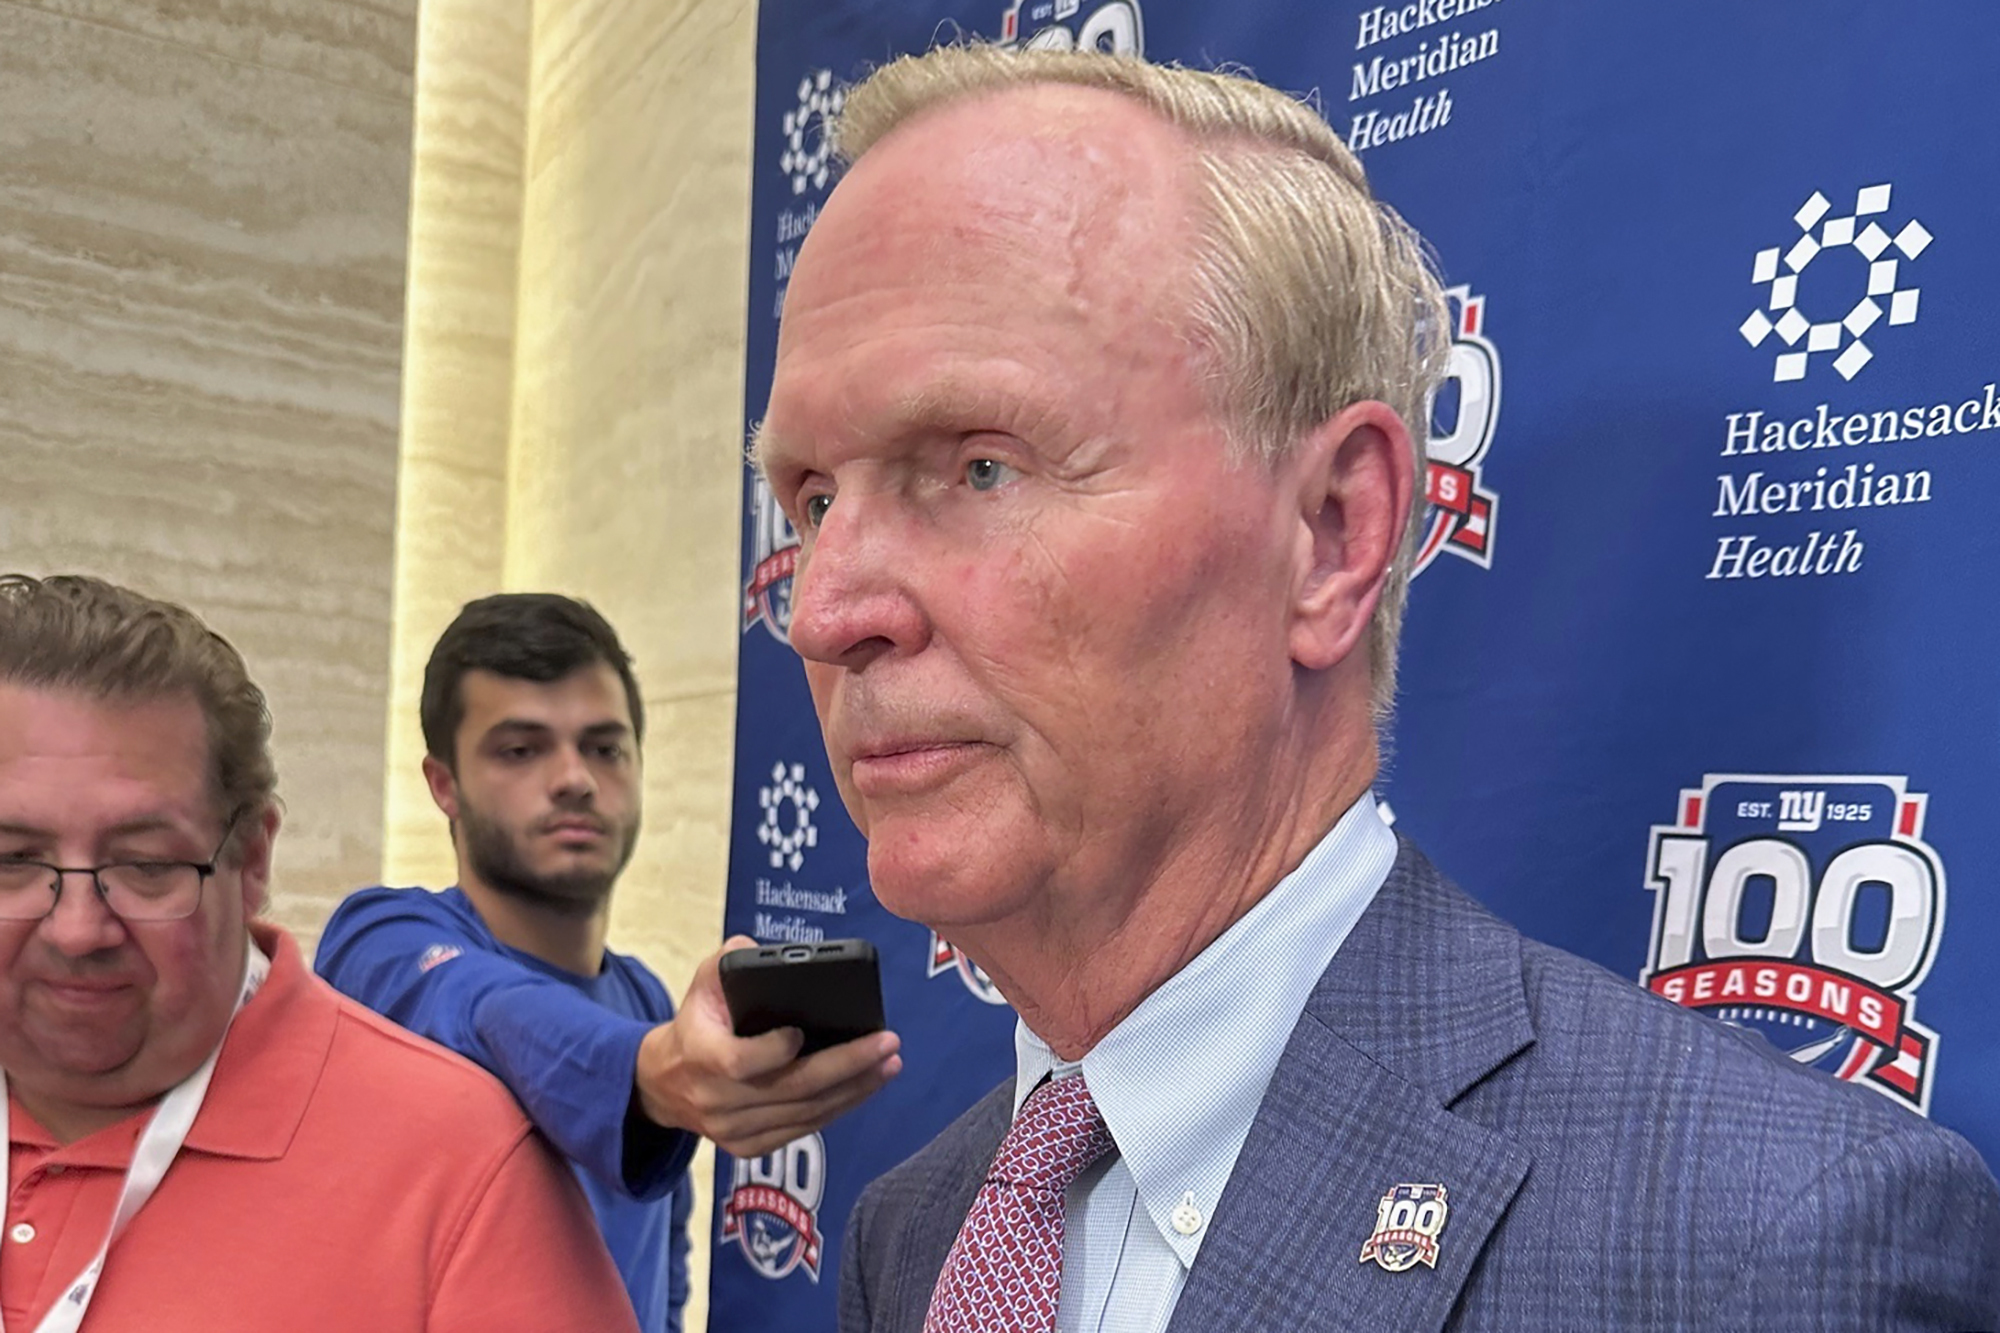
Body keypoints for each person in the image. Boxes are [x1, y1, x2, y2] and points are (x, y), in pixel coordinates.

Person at [751, 45, 2000, 1332]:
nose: (828, 607)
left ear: (1333, 535)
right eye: (812, 498)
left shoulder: (1761, 1239)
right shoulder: (917, 1231)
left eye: (975, 470)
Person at [0, 573, 643, 1332]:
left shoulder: (468, 1171)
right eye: (12, 858)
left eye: (147, 865)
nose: (78, 928)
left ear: (253, 859)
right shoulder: (394, 938)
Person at [316, 593, 900, 1333]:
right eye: (521, 749)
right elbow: (486, 1010)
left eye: (603, 746)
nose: (575, 779)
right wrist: (649, 1072)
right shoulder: (382, 938)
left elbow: (658, 1284)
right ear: (443, 784)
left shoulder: (646, 1000)